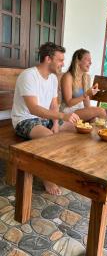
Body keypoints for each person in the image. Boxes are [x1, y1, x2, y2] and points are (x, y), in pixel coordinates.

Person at [11, 42, 79, 195]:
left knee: (76, 128)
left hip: (45, 119)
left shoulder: (53, 79)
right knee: (49, 137)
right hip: (25, 119)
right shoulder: (28, 75)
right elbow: (33, 108)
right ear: (48, 59)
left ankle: (65, 165)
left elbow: (54, 105)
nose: (63, 64)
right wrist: (62, 116)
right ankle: (47, 177)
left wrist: (56, 123)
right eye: (60, 60)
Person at [60, 49, 107, 121]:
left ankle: (106, 131)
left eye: (90, 60)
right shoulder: (68, 77)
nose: (91, 63)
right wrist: (86, 94)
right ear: (78, 61)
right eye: (88, 60)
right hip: (68, 112)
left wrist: (91, 114)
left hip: (80, 110)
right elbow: (69, 103)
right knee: (101, 111)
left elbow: (87, 104)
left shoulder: (85, 77)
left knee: (95, 119)